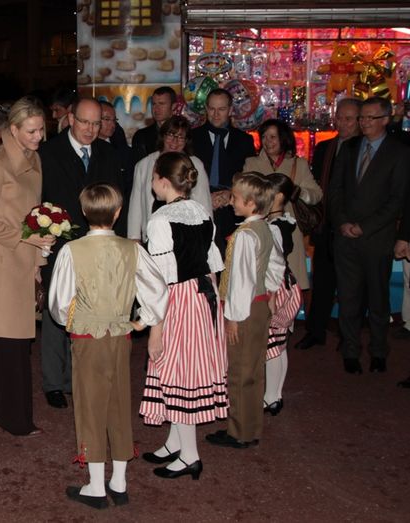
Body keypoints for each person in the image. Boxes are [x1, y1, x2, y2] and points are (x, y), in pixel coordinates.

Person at [49, 183, 167, 508]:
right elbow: (158, 289)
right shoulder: (132, 249)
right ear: (118, 213)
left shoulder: (71, 251)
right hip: (120, 335)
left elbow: (59, 304)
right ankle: (120, 480)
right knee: (118, 403)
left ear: (84, 212)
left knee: (91, 405)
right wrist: (141, 321)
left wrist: (76, 320)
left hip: (88, 339)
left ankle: (96, 486)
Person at [138, 152, 225, 481]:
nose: (151, 185)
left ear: (162, 179)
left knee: (179, 372)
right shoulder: (201, 211)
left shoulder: (161, 220)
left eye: (152, 178)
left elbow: (159, 280)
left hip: (179, 300)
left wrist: (155, 328)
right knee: (183, 369)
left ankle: (190, 455)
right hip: (204, 296)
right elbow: (213, 263)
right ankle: (175, 442)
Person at [0, 96, 54, 436]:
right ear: (14, 129)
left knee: (13, 343)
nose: (38, 137)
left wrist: (37, 259)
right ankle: (14, 418)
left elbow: (35, 214)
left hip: (22, 260)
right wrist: (26, 238)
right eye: (32, 131)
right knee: (13, 346)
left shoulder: (34, 161)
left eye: (42, 130)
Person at [39, 98, 124, 409]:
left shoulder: (107, 153)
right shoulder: (48, 153)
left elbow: (117, 201)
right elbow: (40, 202)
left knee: (91, 312)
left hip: (99, 245)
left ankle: (81, 377)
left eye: (96, 123)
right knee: (55, 313)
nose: (90, 129)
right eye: (85, 122)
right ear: (70, 119)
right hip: (60, 247)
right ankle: (54, 381)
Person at [329, 97, 410, 374]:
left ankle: (378, 352)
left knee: (378, 299)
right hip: (345, 236)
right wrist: (342, 223)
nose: (363, 122)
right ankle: (350, 351)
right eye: (361, 117)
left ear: (386, 120)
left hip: (377, 238)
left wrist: (365, 226)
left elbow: (398, 199)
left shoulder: (399, 152)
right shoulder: (349, 147)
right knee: (348, 298)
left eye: (370, 118)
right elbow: (335, 191)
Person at [205, 172, 282, 449]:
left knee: (239, 371)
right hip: (259, 304)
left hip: (245, 309)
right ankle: (250, 427)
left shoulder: (243, 236)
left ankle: (238, 430)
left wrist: (233, 318)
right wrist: (271, 291)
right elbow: (276, 265)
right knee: (253, 369)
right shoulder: (267, 228)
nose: (231, 202)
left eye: (235, 198)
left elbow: (240, 280)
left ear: (250, 203)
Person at [295, 98, 361, 350]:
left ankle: (349, 335)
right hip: (326, 225)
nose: (342, 123)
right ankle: (315, 330)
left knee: (351, 285)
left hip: (352, 226)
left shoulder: (364, 149)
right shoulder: (325, 148)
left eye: (349, 119)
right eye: (340, 118)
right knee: (322, 281)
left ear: (359, 120)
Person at [244, 119, 322, 290]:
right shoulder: (252, 163)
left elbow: (317, 194)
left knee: (288, 284)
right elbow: (245, 194)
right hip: (260, 228)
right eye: (264, 136)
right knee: (260, 285)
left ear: (283, 139)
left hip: (289, 231)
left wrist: (298, 192)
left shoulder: (298, 164)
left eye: (273, 137)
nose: (267, 141)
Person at [191, 88, 256, 255]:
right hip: (199, 210)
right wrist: (204, 195)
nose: (216, 114)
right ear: (206, 109)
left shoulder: (244, 140)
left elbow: (250, 178)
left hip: (233, 211)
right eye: (212, 109)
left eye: (221, 109)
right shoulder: (192, 138)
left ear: (231, 110)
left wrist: (231, 194)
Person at [128, 116, 212, 244]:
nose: (174, 141)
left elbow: (204, 203)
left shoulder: (195, 164)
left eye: (180, 137)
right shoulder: (144, 164)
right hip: (151, 234)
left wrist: (208, 237)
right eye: (171, 135)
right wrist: (134, 236)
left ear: (186, 141)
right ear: (163, 136)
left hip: (185, 236)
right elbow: (136, 204)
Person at [263, 173, 303, 415]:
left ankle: (272, 396)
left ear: (278, 197)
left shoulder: (276, 227)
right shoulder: (283, 223)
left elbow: (274, 264)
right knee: (279, 344)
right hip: (283, 285)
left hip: (276, 288)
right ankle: (274, 394)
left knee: (273, 344)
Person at [131, 86, 176, 163]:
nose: (156, 108)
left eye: (162, 104)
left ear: (173, 106)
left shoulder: (183, 134)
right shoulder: (142, 136)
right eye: (154, 104)